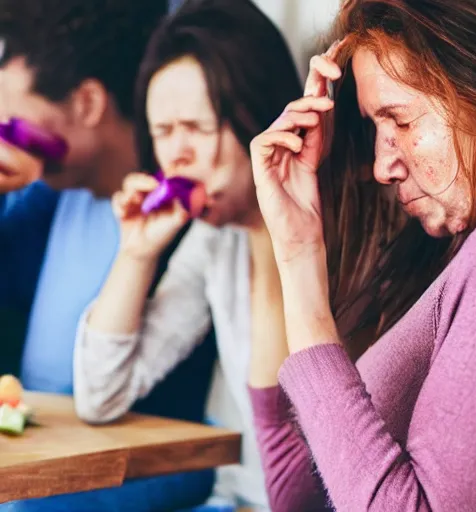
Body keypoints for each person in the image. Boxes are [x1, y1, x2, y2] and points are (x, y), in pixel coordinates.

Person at [248, 0, 476, 510]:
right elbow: (300, 492)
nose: (382, 167)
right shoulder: (461, 248)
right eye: (374, 129)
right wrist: (296, 248)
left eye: (401, 121)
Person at [72, 0, 321, 508]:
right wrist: (136, 255)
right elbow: (99, 396)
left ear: (259, 114)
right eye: (162, 132)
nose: (176, 154)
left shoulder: (337, 233)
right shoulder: (213, 241)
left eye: (197, 128)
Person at [0, 1, 215, 510]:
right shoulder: (47, 198)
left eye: (10, 125)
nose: (4, 140)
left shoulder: (184, 211)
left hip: (136, 470)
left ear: (89, 103)